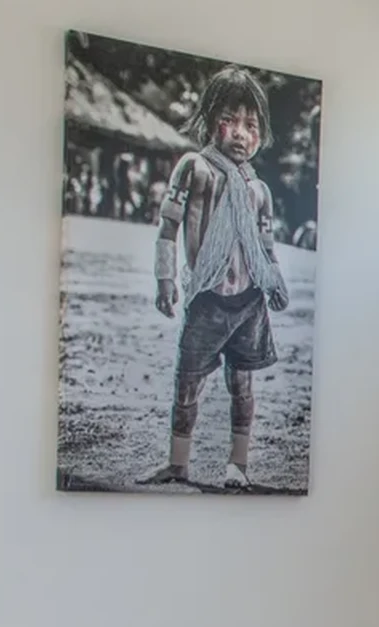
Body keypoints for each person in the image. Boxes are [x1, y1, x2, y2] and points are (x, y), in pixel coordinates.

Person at [142, 65, 289, 489]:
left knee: (242, 383)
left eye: (251, 125)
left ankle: (237, 466)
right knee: (188, 382)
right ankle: (178, 464)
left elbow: (265, 247)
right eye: (231, 120)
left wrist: (273, 281)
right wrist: (166, 279)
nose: (241, 133)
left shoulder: (259, 191)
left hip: (248, 304)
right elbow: (168, 227)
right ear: (210, 121)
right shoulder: (195, 168)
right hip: (207, 299)